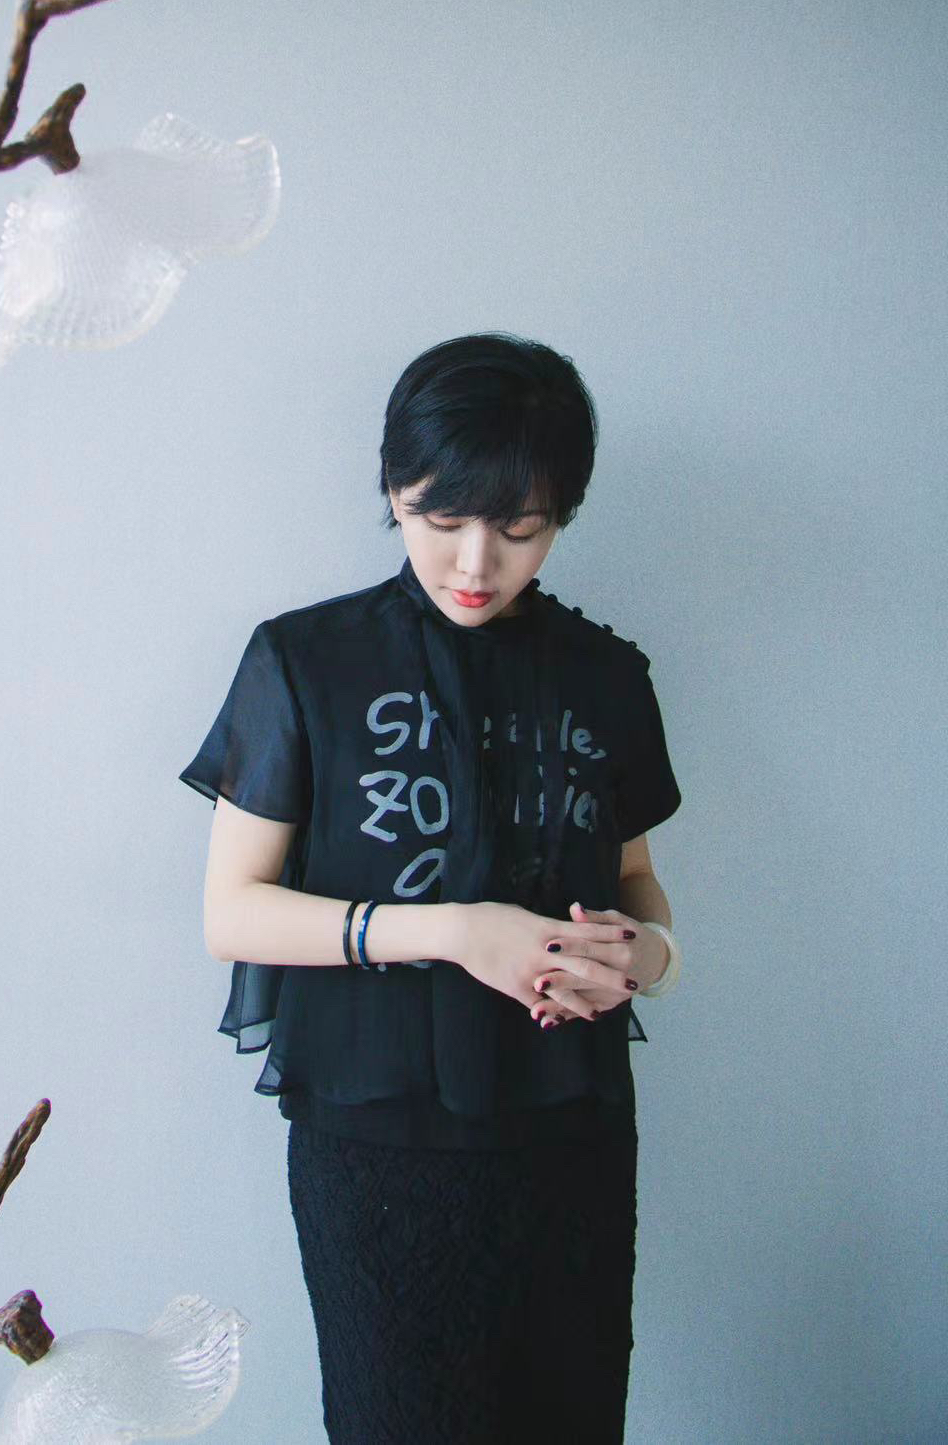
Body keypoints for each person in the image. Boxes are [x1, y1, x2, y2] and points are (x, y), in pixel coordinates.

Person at [179, 332, 683, 1445]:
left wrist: (647, 958)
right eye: (436, 518)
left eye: (519, 529)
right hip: (376, 1149)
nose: (474, 562)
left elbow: (639, 883)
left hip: (573, 1140)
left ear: (560, 516)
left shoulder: (607, 677)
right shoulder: (304, 661)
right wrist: (458, 930)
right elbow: (232, 913)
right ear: (392, 491)